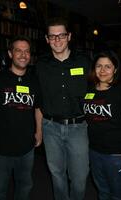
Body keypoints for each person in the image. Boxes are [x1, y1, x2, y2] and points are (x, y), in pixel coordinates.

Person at [36, 17, 90, 200]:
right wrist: (39, 130)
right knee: (57, 175)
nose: (57, 40)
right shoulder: (41, 66)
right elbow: (37, 100)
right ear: (46, 39)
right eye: (52, 36)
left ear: (69, 37)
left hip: (79, 127)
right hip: (50, 127)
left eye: (61, 35)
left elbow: (98, 91)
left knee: (80, 177)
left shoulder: (84, 62)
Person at [83, 50, 121, 200]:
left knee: (117, 194)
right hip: (94, 152)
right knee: (102, 191)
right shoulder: (89, 90)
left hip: (116, 154)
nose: (102, 70)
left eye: (108, 66)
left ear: (115, 69)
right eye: (99, 66)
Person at [0, 35, 42, 200]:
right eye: (18, 51)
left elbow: (38, 107)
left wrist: (39, 131)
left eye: (27, 51)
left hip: (26, 147)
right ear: (10, 54)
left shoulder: (34, 81)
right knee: (0, 188)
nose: (23, 55)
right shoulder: (0, 79)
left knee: (24, 186)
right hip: (1, 148)